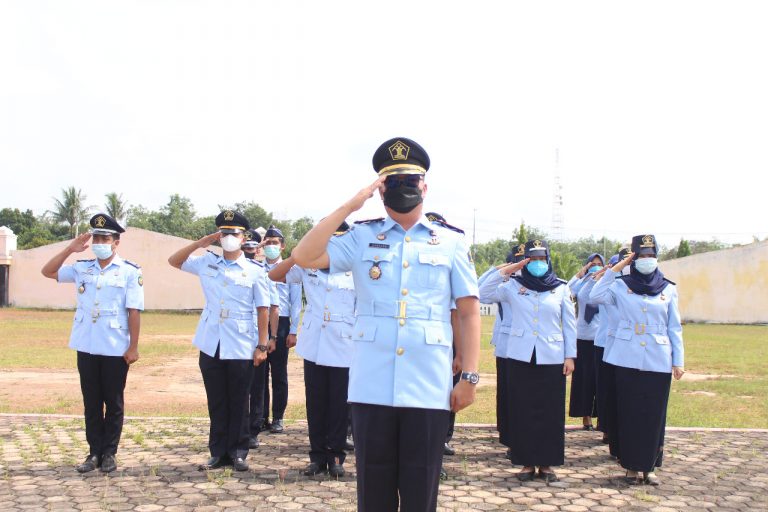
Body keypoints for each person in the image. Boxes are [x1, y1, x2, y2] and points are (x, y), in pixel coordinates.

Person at [291, 137, 481, 511]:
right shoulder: (361, 237)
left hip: (427, 383)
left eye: (410, 182)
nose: (403, 190)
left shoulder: (451, 243)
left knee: (420, 487)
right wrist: (350, 204)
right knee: (373, 490)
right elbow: (303, 254)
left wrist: (469, 377)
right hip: (371, 383)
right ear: (380, 191)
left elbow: (470, 311)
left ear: (424, 186)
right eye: (392, 183)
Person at [168, 210, 271, 472]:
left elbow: (263, 309)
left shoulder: (255, 270)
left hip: (240, 342)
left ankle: (238, 452)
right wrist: (201, 242)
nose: (228, 238)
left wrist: (262, 344)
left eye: (233, 233)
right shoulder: (206, 262)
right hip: (211, 340)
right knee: (216, 400)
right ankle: (217, 452)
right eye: (223, 233)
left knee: (239, 399)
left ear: (243, 236)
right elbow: (174, 261)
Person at [41, 213, 144, 474]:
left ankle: (109, 452)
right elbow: (48, 271)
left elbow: (133, 310)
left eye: (104, 238)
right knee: (91, 402)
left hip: (114, 345)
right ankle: (94, 452)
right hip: (86, 344)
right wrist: (69, 249)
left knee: (113, 401)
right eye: (96, 237)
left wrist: (133, 346)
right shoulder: (81, 267)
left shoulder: (130, 271)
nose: (99, 242)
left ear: (116, 242)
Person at [478, 239, 576, 483]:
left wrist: (570, 356)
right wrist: (508, 269)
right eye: (533, 259)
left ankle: (547, 464)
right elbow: (482, 292)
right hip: (520, 355)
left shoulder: (561, 287)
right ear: (525, 261)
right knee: (523, 409)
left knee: (550, 412)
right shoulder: (513, 286)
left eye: (542, 259)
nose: (538, 264)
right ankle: (526, 463)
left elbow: (570, 325)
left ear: (548, 259)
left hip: (552, 356)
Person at [589, 235, 684, 486]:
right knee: (628, 411)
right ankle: (630, 466)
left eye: (651, 255)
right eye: (641, 255)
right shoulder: (620, 285)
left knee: (653, 414)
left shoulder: (668, 288)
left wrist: (678, 360)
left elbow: (674, 327)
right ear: (633, 258)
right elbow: (594, 296)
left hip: (658, 359)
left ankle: (649, 466)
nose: (647, 260)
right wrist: (616, 269)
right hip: (626, 357)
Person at [268, 221, 356, 478]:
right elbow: (275, 275)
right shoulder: (308, 265)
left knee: (340, 405)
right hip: (315, 345)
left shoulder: (354, 269)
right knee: (316, 404)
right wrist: (298, 254)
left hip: (344, 344)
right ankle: (317, 456)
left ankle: (337, 456)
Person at [477, 243, 524, 459]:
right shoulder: (504, 282)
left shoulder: (537, 284)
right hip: (505, 344)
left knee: (521, 394)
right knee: (506, 392)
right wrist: (499, 270)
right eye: (517, 260)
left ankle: (518, 437)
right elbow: (479, 290)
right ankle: (507, 434)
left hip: (526, 345)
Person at [261, 225, 302, 434]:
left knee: (278, 373)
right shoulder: (256, 267)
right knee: (259, 373)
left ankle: (278, 417)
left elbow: (296, 302)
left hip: (283, 322)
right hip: (259, 322)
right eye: (267, 242)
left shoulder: (290, 269)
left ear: (283, 246)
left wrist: (293, 330)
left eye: (274, 243)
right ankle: (261, 417)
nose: (270, 246)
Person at [241, 229, 280, 448]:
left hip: (257, 339)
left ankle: (253, 429)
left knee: (257, 386)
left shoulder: (262, 272)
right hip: (237, 338)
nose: (248, 251)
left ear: (258, 250)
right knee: (239, 388)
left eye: (251, 248)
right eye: (245, 247)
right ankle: (239, 427)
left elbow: (274, 308)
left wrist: (270, 338)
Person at [567, 253, 605, 430]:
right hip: (583, 336)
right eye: (592, 264)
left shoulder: (607, 283)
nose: (596, 267)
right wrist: (582, 274)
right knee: (584, 379)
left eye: (599, 264)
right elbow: (567, 291)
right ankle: (586, 415)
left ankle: (601, 417)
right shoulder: (582, 284)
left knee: (600, 380)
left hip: (601, 338)